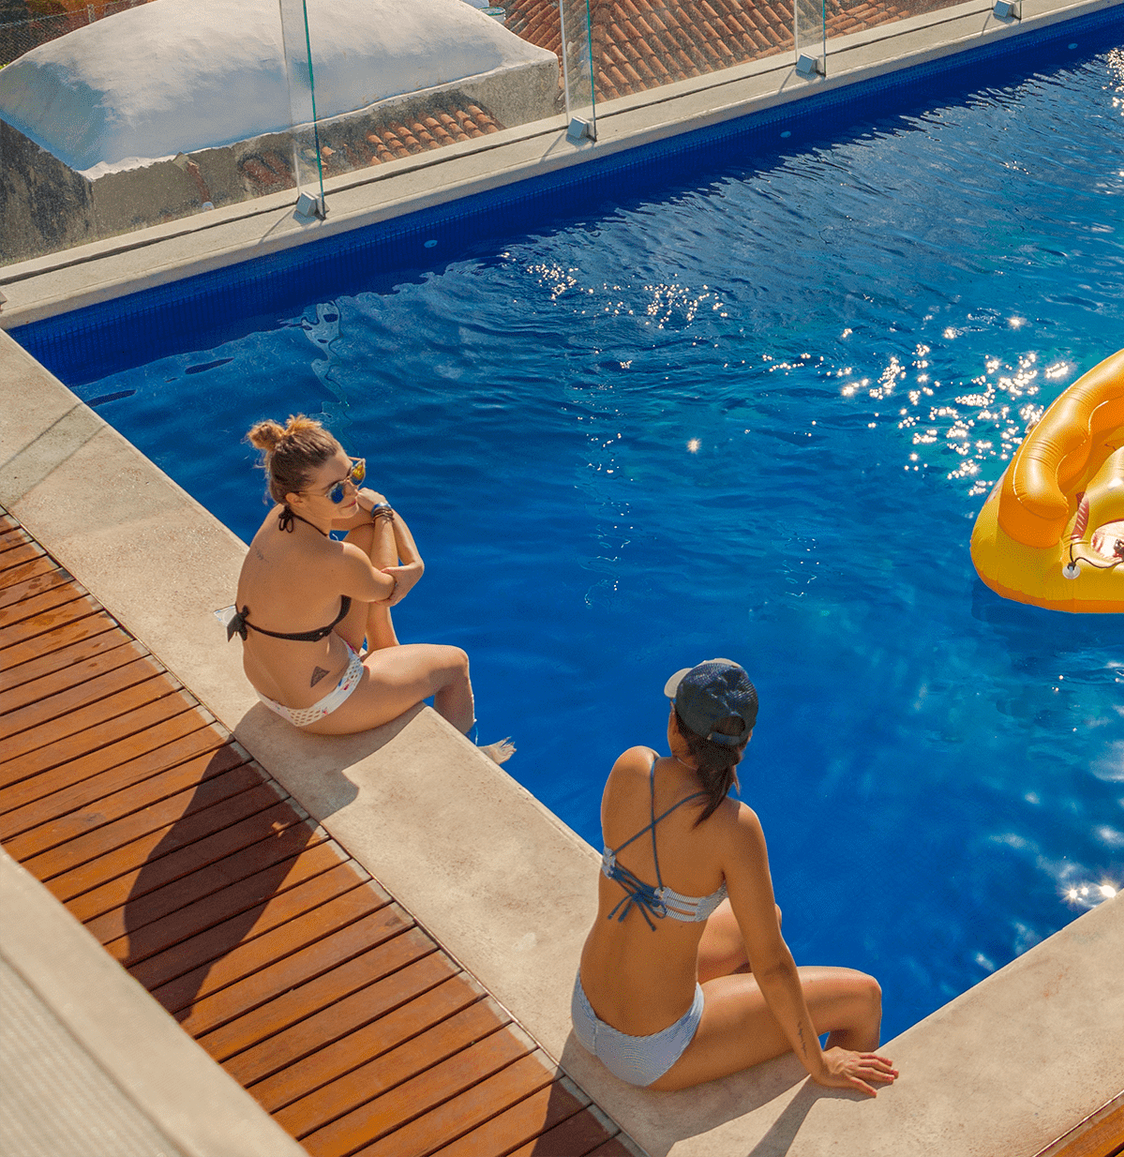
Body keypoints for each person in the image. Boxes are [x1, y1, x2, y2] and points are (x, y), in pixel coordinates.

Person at [574, 659, 896, 1095]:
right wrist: (818, 1060)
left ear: (674, 725)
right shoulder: (735, 827)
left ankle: (739, 1022)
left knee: (770, 918)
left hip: (586, 1008)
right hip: (648, 1051)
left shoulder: (633, 766)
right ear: (742, 745)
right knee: (864, 998)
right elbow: (773, 965)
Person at [230, 415, 507, 758]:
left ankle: (384, 649)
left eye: (353, 474)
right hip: (320, 706)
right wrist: (391, 523)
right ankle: (467, 759)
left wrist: (387, 524)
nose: (350, 493)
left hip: (269, 688)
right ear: (297, 498)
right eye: (335, 490)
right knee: (455, 664)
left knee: (366, 530)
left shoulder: (280, 518)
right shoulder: (336, 560)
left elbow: (370, 515)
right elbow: (393, 587)